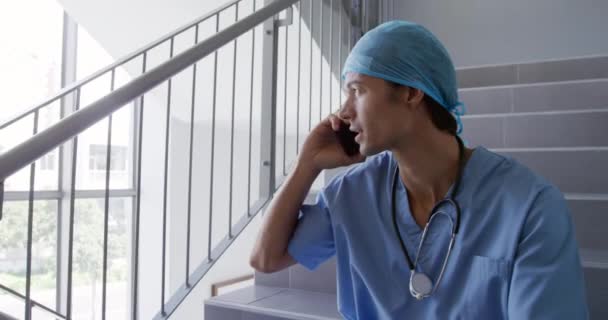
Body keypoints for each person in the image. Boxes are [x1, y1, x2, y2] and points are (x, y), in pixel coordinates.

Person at [250, 20, 588, 319]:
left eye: (357, 91)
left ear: (411, 92)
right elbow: (267, 259)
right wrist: (305, 164)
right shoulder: (353, 194)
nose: (343, 112)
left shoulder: (530, 208)